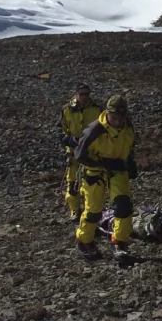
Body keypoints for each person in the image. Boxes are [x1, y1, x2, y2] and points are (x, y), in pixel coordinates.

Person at [74, 94, 137, 264]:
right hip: (95, 173)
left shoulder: (128, 126)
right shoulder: (94, 130)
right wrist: (103, 163)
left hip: (118, 171)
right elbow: (80, 155)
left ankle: (120, 244)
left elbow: (130, 145)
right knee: (94, 211)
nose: (117, 122)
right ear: (107, 113)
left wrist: (130, 163)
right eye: (114, 118)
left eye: (120, 118)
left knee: (123, 207)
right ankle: (85, 241)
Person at [59, 84, 101, 220]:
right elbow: (61, 130)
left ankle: (89, 210)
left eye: (87, 94)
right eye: (82, 94)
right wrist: (69, 140)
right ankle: (75, 210)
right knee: (72, 183)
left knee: (90, 183)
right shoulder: (67, 110)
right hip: (73, 152)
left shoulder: (97, 109)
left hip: (90, 152)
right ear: (76, 94)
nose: (84, 97)